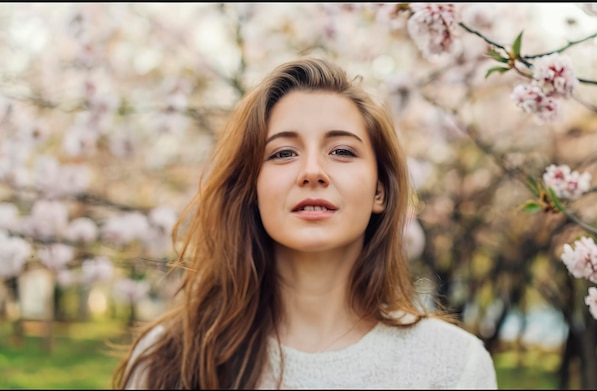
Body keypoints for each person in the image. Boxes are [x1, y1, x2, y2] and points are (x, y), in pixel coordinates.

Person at [111, 57, 498, 389]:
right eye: (282, 153)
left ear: (380, 191)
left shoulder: (452, 367)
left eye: (342, 151)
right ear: (252, 188)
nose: (313, 172)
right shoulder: (170, 361)